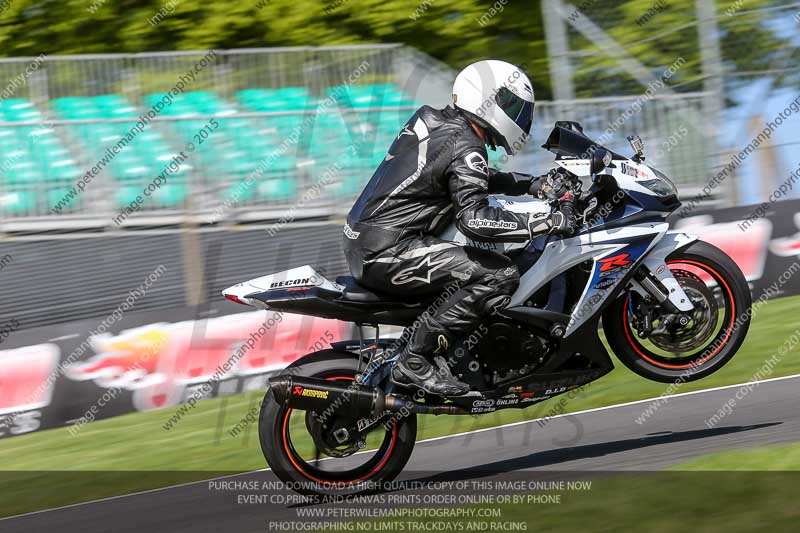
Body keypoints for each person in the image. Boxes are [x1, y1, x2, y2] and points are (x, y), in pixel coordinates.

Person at [342, 60, 575, 396]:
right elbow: (474, 218)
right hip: (390, 252)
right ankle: (416, 359)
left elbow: (466, 178)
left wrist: (532, 186)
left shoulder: (439, 124)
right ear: (488, 99)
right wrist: (546, 220)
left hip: (369, 242)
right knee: (499, 274)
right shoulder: (466, 145)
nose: (520, 116)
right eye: (513, 105)